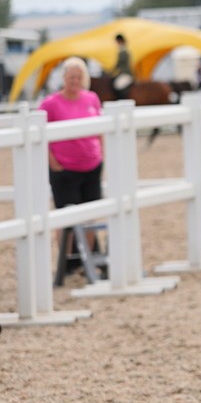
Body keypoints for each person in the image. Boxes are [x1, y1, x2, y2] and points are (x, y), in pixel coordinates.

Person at [40, 57, 105, 272]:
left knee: (90, 215)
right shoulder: (50, 104)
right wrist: (52, 160)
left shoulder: (92, 98)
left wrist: (102, 154)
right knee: (65, 216)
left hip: (92, 165)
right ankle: (66, 262)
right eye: (71, 77)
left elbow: (101, 128)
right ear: (64, 78)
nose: (75, 81)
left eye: (78, 77)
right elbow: (40, 135)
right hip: (65, 168)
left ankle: (89, 260)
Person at [111, 33, 133, 100]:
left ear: (120, 41)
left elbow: (119, 64)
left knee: (117, 85)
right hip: (122, 73)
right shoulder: (122, 50)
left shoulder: (124, 51)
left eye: (117, 41)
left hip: (125, 74)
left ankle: (123, 100)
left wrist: (112, 71)